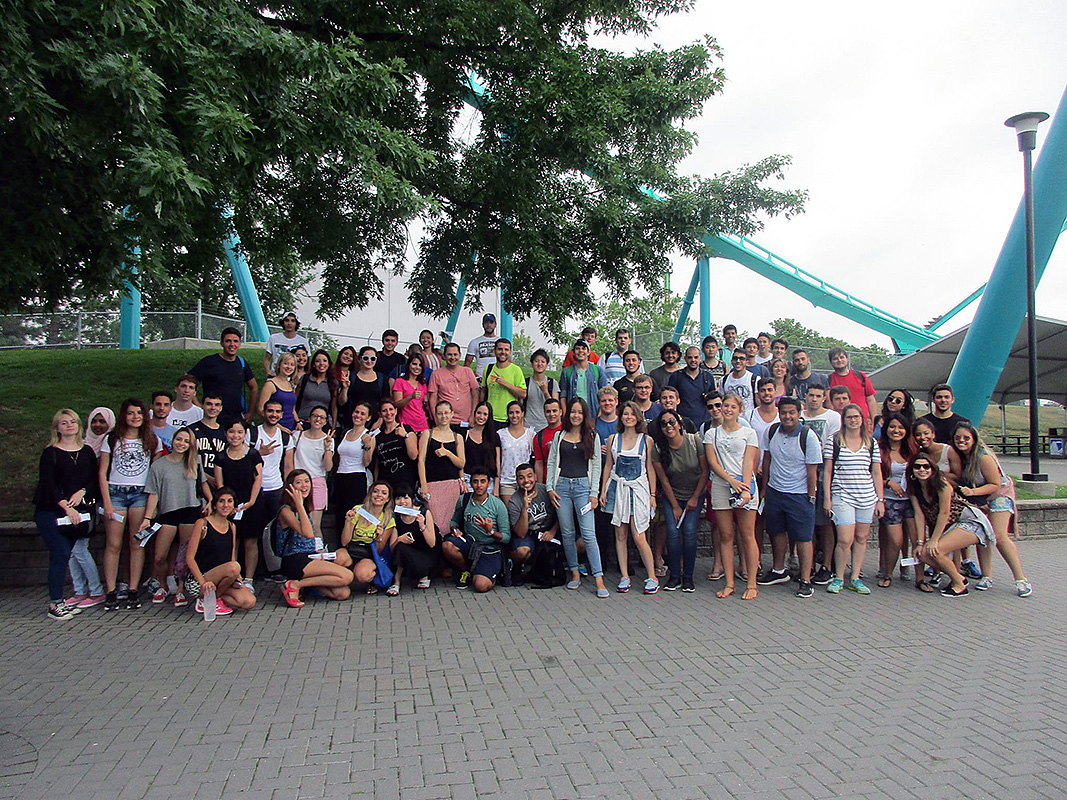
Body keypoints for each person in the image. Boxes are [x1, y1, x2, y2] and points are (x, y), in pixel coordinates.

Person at [951, 422, 1032, 596]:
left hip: (999, 495)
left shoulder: (983, 457)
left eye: (966, 438)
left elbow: (995, 484)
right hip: (980, 499)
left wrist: (973, 492)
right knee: (983, 535)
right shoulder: (959, 457)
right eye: (958, 438)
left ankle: (1021, 579)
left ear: (974, 439)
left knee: (999, 536)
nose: (961, 441)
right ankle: (986, 576)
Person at [34, 409, 100, 620]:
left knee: (68, 553)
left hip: (78, 512)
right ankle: (55, 603)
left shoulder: (87, 451)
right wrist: (66, 506)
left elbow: (93, 479)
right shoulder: (50, 453)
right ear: (57, 428)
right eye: (64, 423)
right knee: (60, 554)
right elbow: (48, 484)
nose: (69, 425)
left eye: (73, 421)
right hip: (52, 511)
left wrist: (83, 492)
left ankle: (61, 601)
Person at [98, 398, 161, 611]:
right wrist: (107, 502)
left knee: (137, 543)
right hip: (116, 493)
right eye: (131, 413)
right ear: (124, 416)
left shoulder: (151, 440)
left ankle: (133, 589)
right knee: (114, 544)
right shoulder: (112, 439)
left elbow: (155, 473)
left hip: (140, 494)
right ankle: (111, 590)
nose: (135, 417)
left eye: (139, 413)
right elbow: (102, 472)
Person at [758, 397, 822, 598]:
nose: (787, 416)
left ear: (799, 413)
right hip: (775, 492)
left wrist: (810, 496)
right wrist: (765, 489)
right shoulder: (772, 431)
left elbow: (812, 470)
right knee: (776, 532)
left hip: (799, 495)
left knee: (803, 537)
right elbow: (767, 459)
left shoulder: (808, 436)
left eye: (791, 412)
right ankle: (779, 571)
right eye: (784, 412)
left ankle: (805, 579)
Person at [908, 454, 995, 598]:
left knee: (936, 550)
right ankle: (959, 577)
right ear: (912, 470)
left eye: (926, 466)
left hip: (970, 521)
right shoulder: (914, 488)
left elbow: (944, 513)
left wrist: (934, 540)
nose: (922, 470)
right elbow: (919, 515)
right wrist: (920, 543)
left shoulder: (941, 483)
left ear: (932, 469)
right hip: (952, 526)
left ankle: (960, 586)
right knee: (922, 554)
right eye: (917, 467)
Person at [545, 398, 608, 597]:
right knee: (567, 533)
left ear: (585, 414)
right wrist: (549, 488)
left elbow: (596, 466)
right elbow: (552, 462)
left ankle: (598, 577)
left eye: (580, 412)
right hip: (562, 487)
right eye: (573, 411)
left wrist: (594, 493)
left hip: (583, 488)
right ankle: (574, 572)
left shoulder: (592, 436)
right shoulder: (559, 435)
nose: (576, 415)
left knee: (588, 534)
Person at [140, 427, 206, 607]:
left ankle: (180, 589)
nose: (181, 444)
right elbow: (153, 493)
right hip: (168, 511)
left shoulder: (194, 461)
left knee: (184, 556)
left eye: (186, 441)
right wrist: (147, 518)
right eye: (179, 439)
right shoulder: (159, 465)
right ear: (173, 440)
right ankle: (163, 585)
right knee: (159, 556)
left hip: (190, 510)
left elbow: (202, 485)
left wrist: (209, 501)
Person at [822, 404, 884, 595]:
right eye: (849, 417)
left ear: (862, 419)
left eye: (856, 417)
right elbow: (827, 471)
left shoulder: (871, 442)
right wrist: (827, 498)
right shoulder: (835, 441)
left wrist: (880, 499)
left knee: (861, 537)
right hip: (842, 495)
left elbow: (876, 472)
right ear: (844, 420)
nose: (853, 420)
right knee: (844, 539)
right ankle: (839, 577)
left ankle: (855, 577)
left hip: (866, 496)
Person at [704, 394, 760, 600]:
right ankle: (729, 583)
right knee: (725, 535)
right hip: (721, 486)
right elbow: (712, 462)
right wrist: (729, 480)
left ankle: (752, 583)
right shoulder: (711, 434)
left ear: (739, 410)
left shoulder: (749, 433)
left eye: (732, 407)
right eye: (725, 406)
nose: (727, 409)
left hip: (744, 484)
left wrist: (744, 487)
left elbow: (749, 461)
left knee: (747, 534)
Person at [601, 401, 659, 594]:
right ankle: (624, 576)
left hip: (638, 490)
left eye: (632, 414)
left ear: (638, 417)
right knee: (620, 534)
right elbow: (608, 466)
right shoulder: (613, 439)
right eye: (625, 414)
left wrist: (652, 494)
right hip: (617, 489)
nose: (628, 417)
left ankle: (652, 576)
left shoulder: (646, 440)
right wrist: (603, 490)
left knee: (639, 535)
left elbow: (650, 468)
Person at [275, 470, 354, 608]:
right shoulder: (286, 511)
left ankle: (300, 585)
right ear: (290, 487)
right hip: (295, 559)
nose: (304, 485)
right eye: (298, 482)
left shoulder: (306, 507)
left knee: (342, 593)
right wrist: (299, 505)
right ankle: (294, 585)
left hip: (311, 556)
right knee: (347, 576)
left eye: (307, 481)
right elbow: (308, 534)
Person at [651, 409, 709, 593]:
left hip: (695, 493)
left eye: (672, 422)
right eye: (664, 424)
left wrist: (695, 498)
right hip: (673, 495)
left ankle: (688, 576)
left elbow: (705, 472)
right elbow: (664, 481)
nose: (668, 426)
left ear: (679, 423)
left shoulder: (694, 441)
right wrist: (675, 506)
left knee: (689, 531)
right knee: (673, 532)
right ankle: (674, 575)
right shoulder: (658, 449)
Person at [183, 488, 256, 615]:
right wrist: (203, 582)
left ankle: (214, 598)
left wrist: (237, 578)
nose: (225, 505)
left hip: (222, 578)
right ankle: (205, 599)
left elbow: (231, 556)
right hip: (199, 579)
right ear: (215, 504)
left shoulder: (232, 526)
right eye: (221, 501)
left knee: (249, 601)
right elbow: (189, 558)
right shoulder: (202, 524)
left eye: (229, 501)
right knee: (234, 567)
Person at [442, 467, 511, 592]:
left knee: (481, 586)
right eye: (475, 481)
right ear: (471, 483)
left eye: (483, 481)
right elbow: (454, 521)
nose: (479, 485)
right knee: (447, 546)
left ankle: (495, 570)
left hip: (489, 548)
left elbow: (506, 537)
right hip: (470, 543)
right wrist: (455, 529)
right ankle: (465, 570)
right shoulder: (464, 499)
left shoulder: (498, 505)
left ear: (489, 483)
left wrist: (490, 531)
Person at [213, 418, 263, 587]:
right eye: (231, 432)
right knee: (232, 541)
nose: (235, 436)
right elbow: (220, 485)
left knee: (250, 541)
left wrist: (251, 501)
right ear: (225, 433)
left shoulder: (253, 454)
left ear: (245, 434)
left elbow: (258, 479)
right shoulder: (220, 457)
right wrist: (228, 505)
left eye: (240, 432)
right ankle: (234, 577)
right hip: (229, 506)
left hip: (250, 504)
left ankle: (249, 579)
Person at [801, 384, 841, 586]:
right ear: (805, 396)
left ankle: (826, 566)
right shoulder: (800, 416)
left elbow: (833, 447)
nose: (814, 399)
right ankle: (807, 566)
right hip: (802, 472)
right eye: (811, 395)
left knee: (825, 522)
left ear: (824, 398)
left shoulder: (833, 417)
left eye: (818, 396)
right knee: (807, 523)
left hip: (824, 470)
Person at [249, 399, 294, 575]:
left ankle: (274, 568)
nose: (273, 415)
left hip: (276, 488)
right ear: (264, 412)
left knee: (276, 530)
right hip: (255, 489)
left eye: (277, 412)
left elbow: (288, 466)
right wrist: (258, 453)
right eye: (270, 411)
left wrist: (288, 491)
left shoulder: (285, 437)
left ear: (282, 415)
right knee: (254, 531)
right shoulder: (252, 434)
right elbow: (242, 459)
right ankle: (256, 569)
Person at [878, 412, 920, 589]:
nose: (896, 431)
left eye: (901, 427)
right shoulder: (879, 449)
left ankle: (919, 577)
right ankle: (888, 574)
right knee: (895, 541)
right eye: (892, 427)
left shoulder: (913, 449)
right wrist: (888, 483)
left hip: (912, 501)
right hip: (890, 501)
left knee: (917, 539)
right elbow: (870, 476)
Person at [188, 327, 258, 424]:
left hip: (236, 418)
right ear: (221, 343)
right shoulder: (209, 362)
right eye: (228, 341)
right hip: (213, 417)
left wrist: (250, 412)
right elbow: (188, 381)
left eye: (235, 341)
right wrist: (198, 406)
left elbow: (254, 387)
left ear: (239, 344)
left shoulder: (242, 363)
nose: (232, 344)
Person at [418, 401, 466, 538]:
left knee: (452, 523)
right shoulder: (427, 433)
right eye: (440, 413)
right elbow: (421, 460)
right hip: (432, 484)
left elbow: (461, 463)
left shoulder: (458, 437)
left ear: (452, 414)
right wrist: (423, 485)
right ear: (435, 415)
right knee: (435, 523)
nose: (443, 416)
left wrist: (448, 453)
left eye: (446, 413)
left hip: (452, 485)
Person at [508, 463, 559, 587]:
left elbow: (562, 515)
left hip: (548, 530)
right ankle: (518, 569)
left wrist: (552, 531)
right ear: (517, 480)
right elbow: (521, 533)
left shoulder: (546, 491)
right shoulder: (514, 500)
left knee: (580, 544)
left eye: (529, 476)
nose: (526, 481)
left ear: (535, 476)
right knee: (522, 552)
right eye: (521, 478)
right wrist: (525, 508)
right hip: (529, 533)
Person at [340, 480, 396, 593]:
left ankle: (371, 581)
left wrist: (379, 537)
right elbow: (344, 542)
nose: (379, 495)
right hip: (351, 548)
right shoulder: (358, 510)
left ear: (388, 499)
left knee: (362, 574)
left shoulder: (388, 519)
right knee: (338, 558)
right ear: (370, 494)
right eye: (375, 491)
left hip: (368, 553)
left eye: (384, 493)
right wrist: (348, 522)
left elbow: (379, 551)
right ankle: (340, 583)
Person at [386, 487, 440, 594]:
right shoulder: (395, 517)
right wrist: (399, 539)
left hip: (427, 555)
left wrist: (422, 526)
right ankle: (396, 582)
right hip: (408, 556)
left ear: (412, 499)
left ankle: (425, 575)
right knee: (400, 546)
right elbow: (392, 549)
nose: (402, 502)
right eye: (398, 498)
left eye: (406, 498)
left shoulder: (424, 512)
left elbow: (432, 543)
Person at [333, 402, 375, 530]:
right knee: (340, 513)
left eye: (363, 414)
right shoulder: (346, 432)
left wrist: (367, 445)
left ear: (368, 418)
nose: (358, 416)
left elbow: (366, 462)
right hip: (340, 476)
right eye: (356, 412)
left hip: (356, 477)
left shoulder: (369, 436)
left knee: (353, 515)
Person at [292, 405, 335, 530]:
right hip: (298, 481)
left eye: (322, 417)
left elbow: (328, 467)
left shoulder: (328, 440)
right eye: (315, 416)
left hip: (317, 482)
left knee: (315, 526)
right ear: (309, 418)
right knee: (297, 523)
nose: (318, 419)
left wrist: (327, 448)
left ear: (325, 422)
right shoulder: (297, 436)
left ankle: (317, 544)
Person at [594, 387, 621, 569]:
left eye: (611, 400)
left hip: (620, 477)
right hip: (599, 477)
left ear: (616, 402)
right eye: (604, 401)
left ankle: (621, 561)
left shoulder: (623, 423)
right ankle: (602, 559)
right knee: (602, 522)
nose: (607, 403)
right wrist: (596, 448)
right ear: (599, 403)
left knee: (620, 520)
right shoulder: (593, 424)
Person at [427, 342, 480, 430]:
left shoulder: (467, 371)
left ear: (460, 355)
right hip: (444, 421)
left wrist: (473, 415)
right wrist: (436, 419)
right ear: (444, 356)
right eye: (449, 354)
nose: (452, 357)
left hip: (465, 420)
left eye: (455, 354)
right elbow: (432, 398)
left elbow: (475, 394)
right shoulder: (436, 374)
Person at [374, 398, 420, 491]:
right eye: (384, 410)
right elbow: (377, 463)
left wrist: (405, 435)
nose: (388, 413)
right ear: (380, 414)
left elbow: (413, 455)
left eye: (391, 409)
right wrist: (376, 482)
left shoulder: (406, 428)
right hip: (385, 482)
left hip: (404, 480)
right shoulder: (378, 435)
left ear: (396, 411)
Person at [481, 338, 527, 430]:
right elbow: (483, 391)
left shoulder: (516, 370)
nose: (503, 352)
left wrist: (505, 383)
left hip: (508, 418)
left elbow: (523, 394)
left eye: (506, 349)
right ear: (494, 351)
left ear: (510, 352)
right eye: (500, 349)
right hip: (490, 417)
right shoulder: (488, 369)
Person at [337, 346, 387, 429]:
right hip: (353, 422)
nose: (369, 361)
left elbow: (385, 403)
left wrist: (380, 421)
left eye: (373, 359)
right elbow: (341, 402)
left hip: (374, 423)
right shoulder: (351, 377)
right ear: (360, 359)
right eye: (366, 358)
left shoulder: (382, 379)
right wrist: (345, 388)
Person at [827, 347, 877, 429]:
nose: (839, 360)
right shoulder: (828, 380)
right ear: (831, 362)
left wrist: (875, 422)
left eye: (842, 357)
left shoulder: (861, 376)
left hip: (862, 426)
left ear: (847, 359)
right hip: (840, 426)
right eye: (835, 359)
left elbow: (870, 400)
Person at [669, 346, 718, 428]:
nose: (693, 360)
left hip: (704, 423)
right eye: (690, 357)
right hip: (683, 423)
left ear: (700, 358)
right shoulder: (676, 376)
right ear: (685, 358)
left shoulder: (708, 377)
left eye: (696, 357)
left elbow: (713, 401)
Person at [497, 401, 535, 501]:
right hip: (506, 481)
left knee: (527, 508)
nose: (514, 416)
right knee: (511, 509)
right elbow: (497, 460)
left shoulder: (531, 434)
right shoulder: (500, 434)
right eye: (511, 413)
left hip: (526, 480)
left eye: (517, 412)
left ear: (522, 413)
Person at [463, 401, 501, 495]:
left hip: (487, 481)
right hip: (468, 480)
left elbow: (497, 462)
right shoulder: (465, 434)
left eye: (485, 414)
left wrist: (496, 486)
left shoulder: (494, 436)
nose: (481, 417)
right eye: (479, 413)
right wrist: (462, 481)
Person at [295, 349, 338, 431]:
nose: (321, 363)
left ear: (329, 364)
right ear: (314, 364)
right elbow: (293, 401)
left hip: (322, 425)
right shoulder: (305, 379)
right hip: (303, 422)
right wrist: (297, 421)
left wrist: (333, 427)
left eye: (324, 361)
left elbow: (334, 407)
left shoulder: (333, 382)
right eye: (318, 361)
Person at [189, 394, 226, 485]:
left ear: (221, 408)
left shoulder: (226, 432)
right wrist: (206, 478)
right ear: (202, 405)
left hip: (220, 482)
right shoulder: (191, 430)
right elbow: (186, 459)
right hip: (196, 480)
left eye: (217, 405)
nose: (213, 408)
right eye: (209, 404)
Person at [258, 352, 298, 431]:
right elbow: (261, 409)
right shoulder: (270, 384)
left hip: (291, 427)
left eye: (292, 365)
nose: (289, 367)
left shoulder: (291, 385)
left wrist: (298, 422)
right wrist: (279, 427)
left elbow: (292, 409)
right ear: (279, 365)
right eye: (285, 363)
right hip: (275, 429)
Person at [264, 310, 310, 378]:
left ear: (296, 323)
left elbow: (307, 361)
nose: (289, 323)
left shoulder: (303, 341)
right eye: (287, 320)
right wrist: (268, 371)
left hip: (294, 378)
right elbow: (267, 359)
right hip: (275, 376)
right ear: (283, 323)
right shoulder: (273, 338)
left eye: (293, 321)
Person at [391, 353, 430, 432]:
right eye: (414, 364)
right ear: (408, 365)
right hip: (406, 423)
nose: (417, 367)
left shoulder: (422, 383)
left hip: (422, 423)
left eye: (420, 365)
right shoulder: (400, 381)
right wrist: (410, 397)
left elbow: (425, 402)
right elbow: (397, 404)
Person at [523, 349, 559, 433]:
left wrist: (545, 391)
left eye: (543, 361)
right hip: (528, 426)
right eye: (536, 361)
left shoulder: (552, 383)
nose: (539, 364)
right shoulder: (525, 382)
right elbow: (520, 404)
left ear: (546, 365)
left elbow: (555, 407)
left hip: (547, 425)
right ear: (531, 364)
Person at [532, 398, 563, 483]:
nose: (551, 414)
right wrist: (540, 485)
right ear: (544, 414)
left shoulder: (569, 431)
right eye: (548, 411)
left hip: (567, 481)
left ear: (560, 412)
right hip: (548, 481)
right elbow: (539, 463)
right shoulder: (539, 437)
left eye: (554, 411)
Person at [722, 349, 759, 414]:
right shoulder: (724, 380)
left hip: (749, 418)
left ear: (747, 362)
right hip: (730, 417)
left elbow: (759, 403)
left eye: (742, 359)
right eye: (735, 358)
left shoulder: (754, 379)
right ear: (731, 361)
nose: (738, 361)